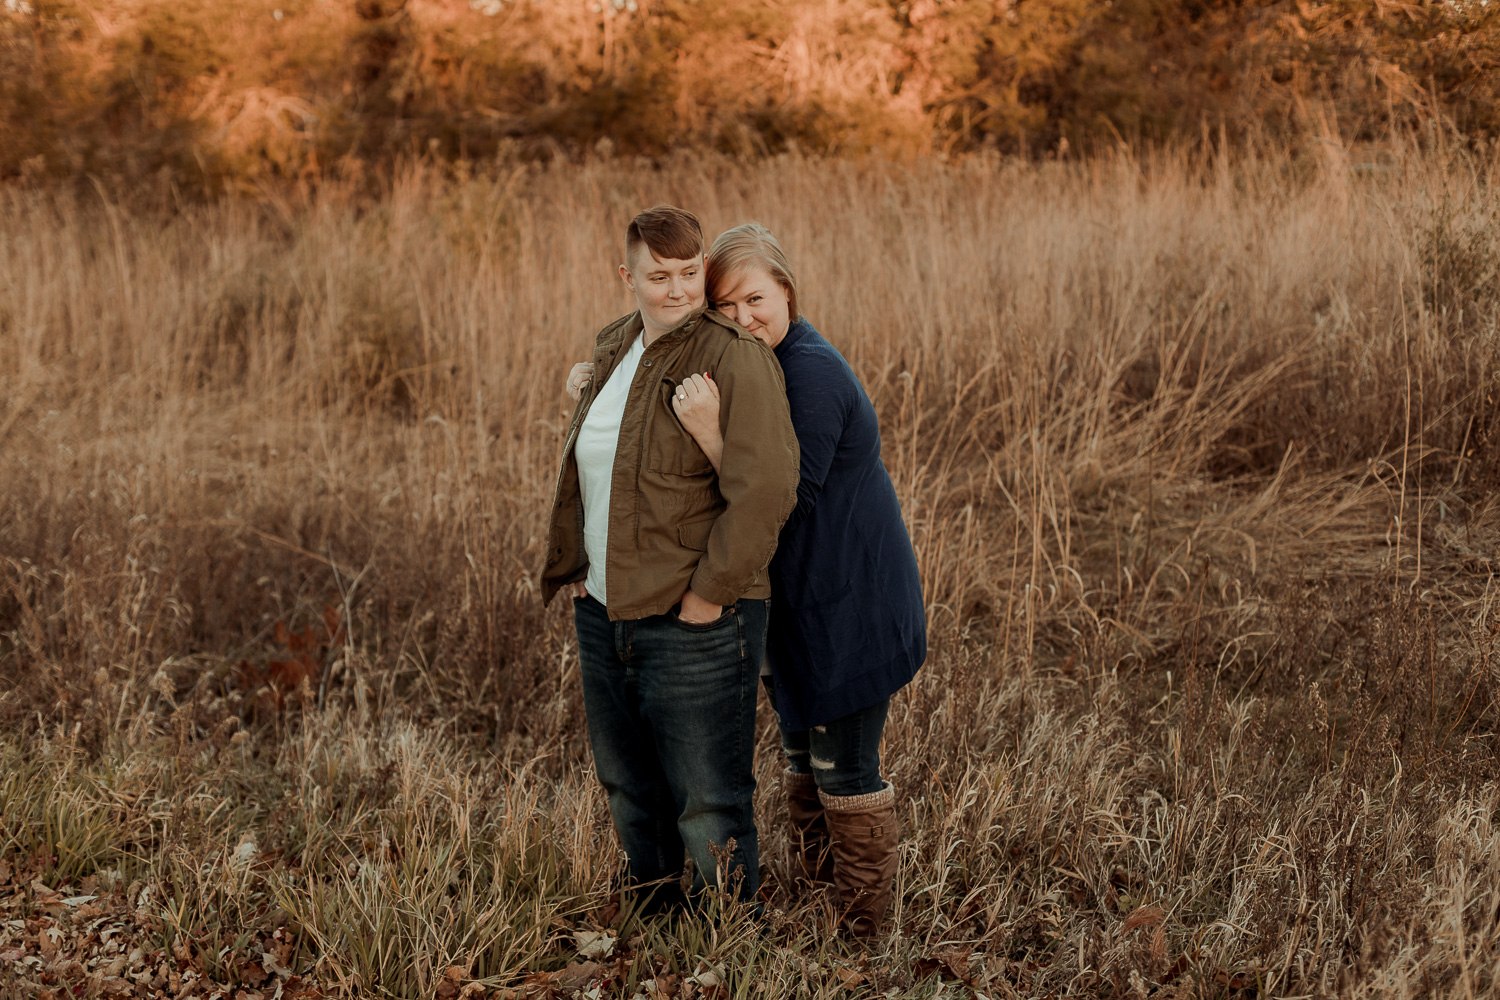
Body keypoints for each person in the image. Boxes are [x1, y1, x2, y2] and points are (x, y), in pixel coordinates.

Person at [667, 223, 927, 936]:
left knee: (844, 767)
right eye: (725, 306)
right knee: (804, 759)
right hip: (800, 607)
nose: (742, 317)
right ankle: (821, 899)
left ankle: (863, 933)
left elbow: (783, 502)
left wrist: (710, 433)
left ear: (785, 289)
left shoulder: (810, 374)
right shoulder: (758, 363)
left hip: (852, 603)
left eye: (754, 298)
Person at [542, 206, 800, 912]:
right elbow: (599, 468)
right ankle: (654, 915)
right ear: (627, 277)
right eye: (660, 276)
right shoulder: (614, 347)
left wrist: (708, 596)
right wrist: (582, 574)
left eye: (690, 272)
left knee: (709, 800)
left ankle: (730, 934)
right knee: (628, 783)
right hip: (605, 610)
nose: (679, 289)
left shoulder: (735, 357)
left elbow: (768, 489)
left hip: (696, 618)